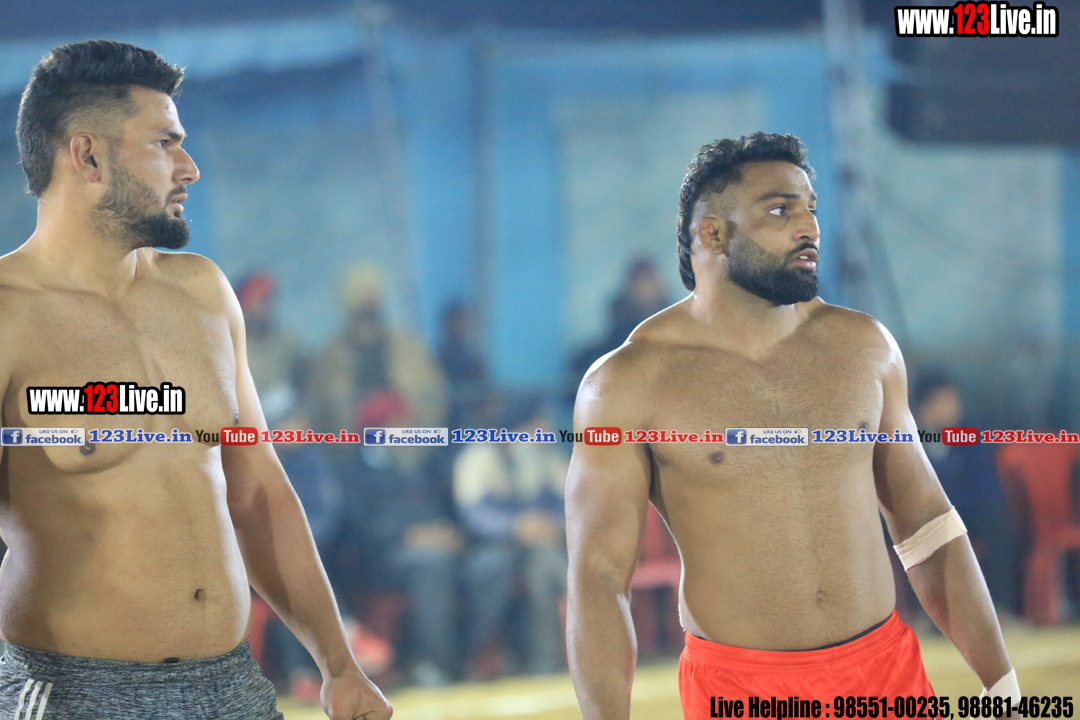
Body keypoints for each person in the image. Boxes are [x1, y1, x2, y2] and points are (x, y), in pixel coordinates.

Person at [566, 132, 1019, 720]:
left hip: (887, 676)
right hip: (742, 693)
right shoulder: (628, 383)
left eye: (811, 208)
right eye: (780, 210)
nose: (809, 227)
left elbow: (928, 526)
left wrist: (1004, 690)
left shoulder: (865, 348)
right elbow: (599, 578)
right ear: (713, 234)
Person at [0, 41, 391, 720]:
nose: (190, 168)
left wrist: (339, 666)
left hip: (229, 687)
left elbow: (259, 495)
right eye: (165, 143)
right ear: (87, 156)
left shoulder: (203, 293)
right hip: (70, 694)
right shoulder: (9, 313)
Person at [455, 395, 569, 676]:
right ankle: (474, 654)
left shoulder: (545, 456)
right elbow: (476, 514)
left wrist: (552, 524)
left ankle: (546, 657)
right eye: (536, 424)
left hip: (540, 545)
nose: (545, 429)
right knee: (494, 568)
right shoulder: (478, 458)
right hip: (489, 547)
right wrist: (515, 527)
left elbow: (568, 502)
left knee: (545, 566)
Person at [912, 370, 1021, 615]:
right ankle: (926, 615)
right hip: (925, 517)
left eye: (954, 400)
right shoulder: (907, 438)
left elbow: (985, 485)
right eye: (944, 402)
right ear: (924, 408)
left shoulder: (970, 433)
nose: (953, 408)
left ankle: (1000, 608)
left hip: (966, 511)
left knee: (998, 521)